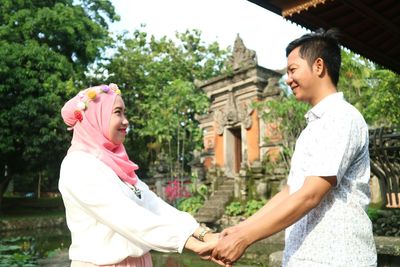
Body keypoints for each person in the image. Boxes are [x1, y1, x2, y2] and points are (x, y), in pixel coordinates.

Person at [211, 28, 377, 266]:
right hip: (304, 257)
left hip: (338, 257)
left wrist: (246, 238)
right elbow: (291, 191)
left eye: (292, 70)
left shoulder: (342, 117)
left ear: (318, 66)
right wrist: (240, 229)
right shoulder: (311, 128)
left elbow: (311, 194)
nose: (287, 79)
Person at [59, 83, 219, 267]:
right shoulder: (78, 165)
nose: (126, 121)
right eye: (118, 112)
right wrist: (191, 244)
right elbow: (127, 216)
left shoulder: (113, 164)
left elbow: (152, 204)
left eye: (124, 113)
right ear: (96, 118)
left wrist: (202, 233)